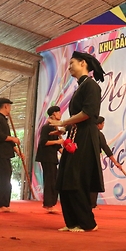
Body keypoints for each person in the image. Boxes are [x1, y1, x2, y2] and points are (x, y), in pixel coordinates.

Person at [49, 51, 105, 232]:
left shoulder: (91, 86)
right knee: (65, 179)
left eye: (72, 63)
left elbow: (88, 113)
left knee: (77, 179)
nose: (69, 66)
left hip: (86, 137)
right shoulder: (80, 87)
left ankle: (88, 223)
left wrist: (64, 121)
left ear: (82, 63)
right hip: (74, 135)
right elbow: (77, 117)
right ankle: (72, 221)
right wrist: (64, 129)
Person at [35, 105, 64, 213]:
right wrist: (57, 142)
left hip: (51, 157)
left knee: (53, 180)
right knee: (50, 180)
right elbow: (43, 142)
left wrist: (65, 152)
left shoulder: (54, 127)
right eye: (58, 112)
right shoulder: (47, 127)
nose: (60, 114)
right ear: (53, 114)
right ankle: (48, 204)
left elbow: (57, 146)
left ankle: (51, 203)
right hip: (46, 157)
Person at [90, 116, 123, 208]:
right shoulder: (99, 135)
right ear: (99, 124)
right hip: (94, 162)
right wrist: (115, 162)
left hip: (85, 162)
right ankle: (92, 204)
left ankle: (88, 204)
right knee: (94, 182)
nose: (103, 125)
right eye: (103, 124)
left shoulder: (88, 133)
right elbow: (106, 149)